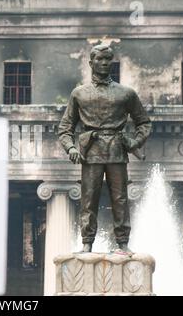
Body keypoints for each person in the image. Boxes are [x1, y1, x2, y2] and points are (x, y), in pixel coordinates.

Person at [58, 44, 151, 253]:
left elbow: (144, 122)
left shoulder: (126, 93)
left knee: (120, 198)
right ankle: (87, 242)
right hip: (91, 152)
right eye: (100, 59)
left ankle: (123, 243)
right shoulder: (79, 94)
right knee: (88, 198)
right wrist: (71, 148)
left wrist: (135, 142)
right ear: (91, 63)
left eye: (108, 59)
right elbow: (65, 127)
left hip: (117, 151)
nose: (104, 63)